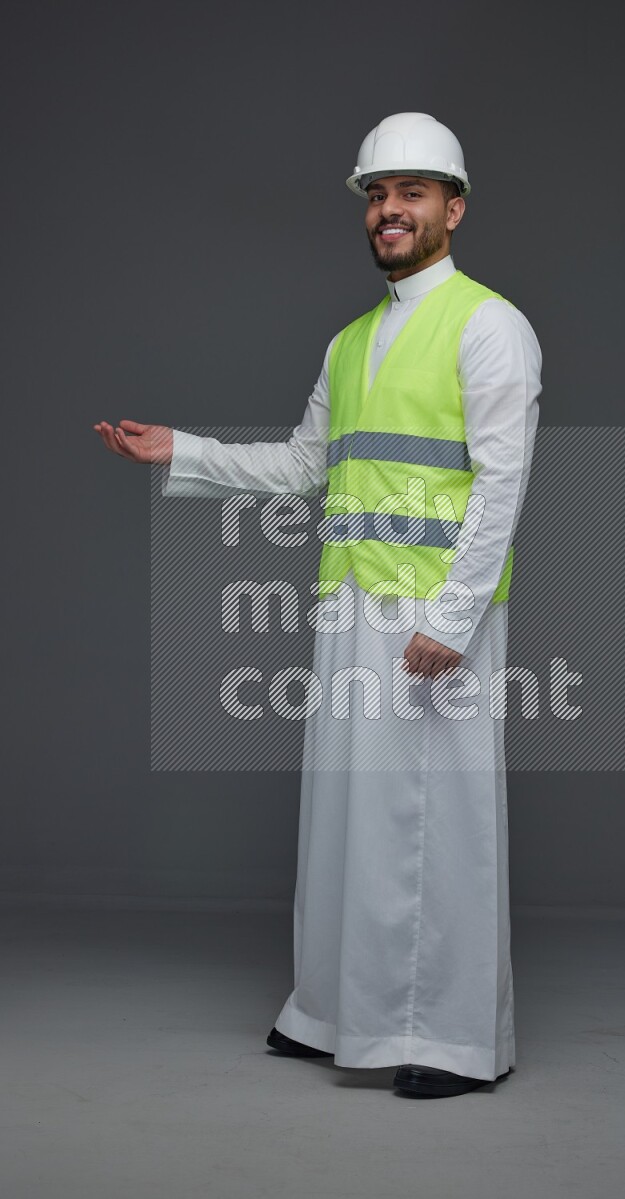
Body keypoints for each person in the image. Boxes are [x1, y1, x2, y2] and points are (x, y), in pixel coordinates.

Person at [95, 112, 542, 1098]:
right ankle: (337, 1011)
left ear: (452, 208)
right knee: (345, 819)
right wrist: (183, 451)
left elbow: (501, 485)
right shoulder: (348, 344)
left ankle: (453, 1035)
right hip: (348, 611)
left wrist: (453, 619)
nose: (388, 209)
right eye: (376, 194)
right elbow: (304, 466)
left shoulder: (488, 325)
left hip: (433, 621)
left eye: (411, 192)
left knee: (438, 823)